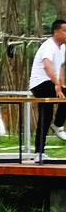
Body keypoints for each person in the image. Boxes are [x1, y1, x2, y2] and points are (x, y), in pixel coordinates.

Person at [30, 19, 66, 159]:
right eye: (64, 31)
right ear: (56, 32)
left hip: (49, 82)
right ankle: (57, 125)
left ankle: (39, 152)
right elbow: (47, 66)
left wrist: (62, 84)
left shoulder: (61, 48)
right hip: (40, 84)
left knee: (45, 116)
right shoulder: (49, 46)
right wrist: (57, 84)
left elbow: (60, 68)